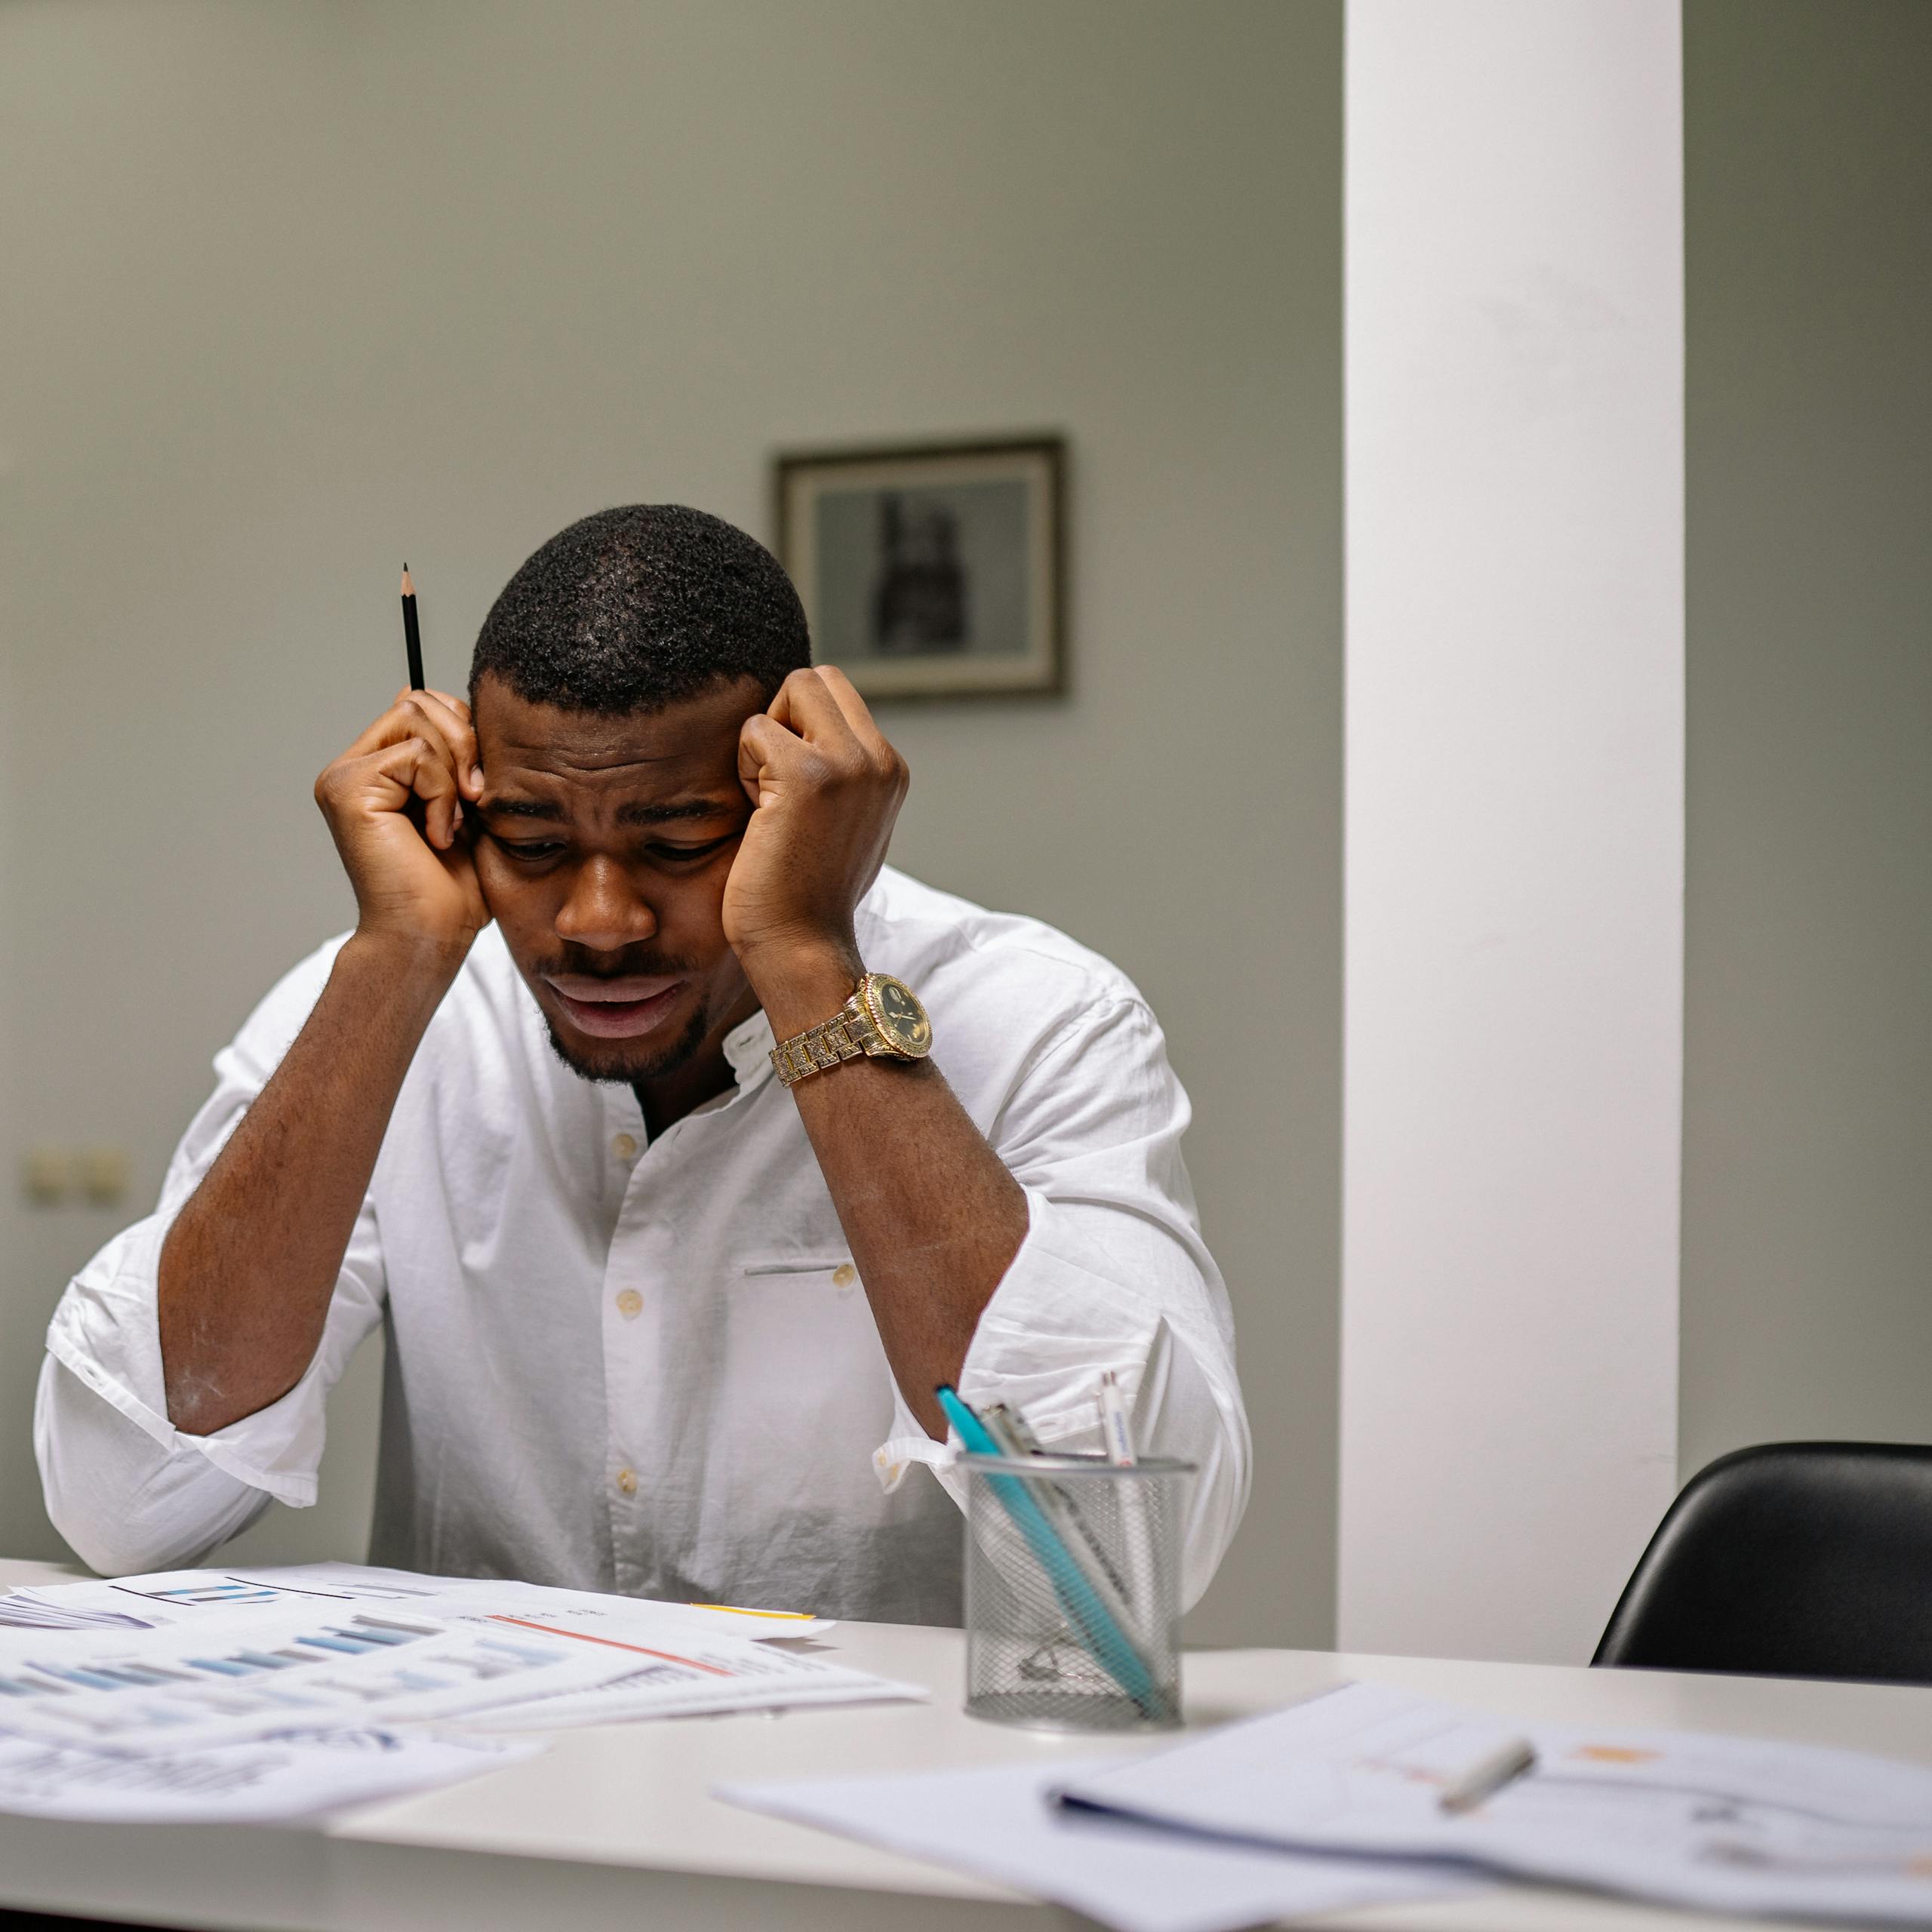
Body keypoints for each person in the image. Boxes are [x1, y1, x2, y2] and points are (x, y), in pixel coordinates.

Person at [35, 506, 1250, 1623]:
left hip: (881, 1821)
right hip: (493, 1816)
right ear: (466, 806)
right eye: (534, 840)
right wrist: (395, 954)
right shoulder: (394, 1000)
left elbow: (1122, 1550)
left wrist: (807, 959)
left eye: (677, 843)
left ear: (791, 802)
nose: (599, 921)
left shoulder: (1040, 1018)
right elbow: (122, 1501)